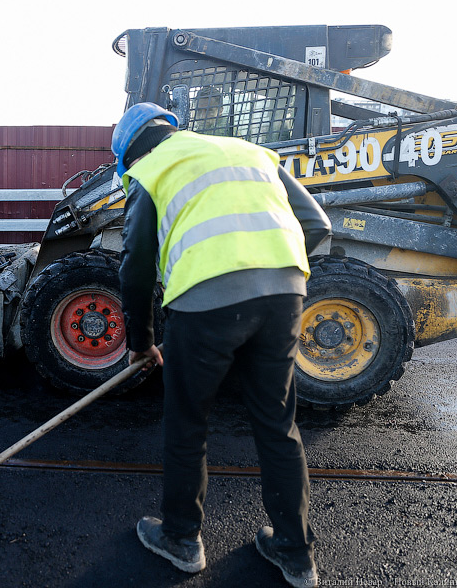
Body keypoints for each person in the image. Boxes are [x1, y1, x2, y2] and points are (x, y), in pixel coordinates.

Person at [114, 103, 331, 587]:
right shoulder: (251, 152)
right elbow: (318, 225)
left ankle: (182, 541)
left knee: (188, 421)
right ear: (170, 128)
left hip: (204, 304)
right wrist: (268, 271)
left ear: (129, 153)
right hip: (284, 296)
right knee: (278, 423)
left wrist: (142, 342)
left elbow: (136, 266)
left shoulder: (149, 172)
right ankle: (296, 556)